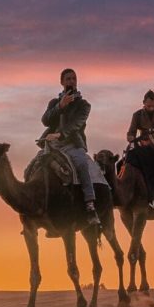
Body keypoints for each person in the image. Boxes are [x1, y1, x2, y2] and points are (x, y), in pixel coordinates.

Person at [41, 67, 100, 224]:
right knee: (33, 166)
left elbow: (77, 124)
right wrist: (60, 106)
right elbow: (46, 120)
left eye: (73, 79)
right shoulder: (54, 103)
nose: (71, 82)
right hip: (52, 146)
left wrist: (61, 134)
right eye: (68, 79)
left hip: (73, 144)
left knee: (81, 163)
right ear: (61, 82)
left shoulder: (83, 105)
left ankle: (90, 205)